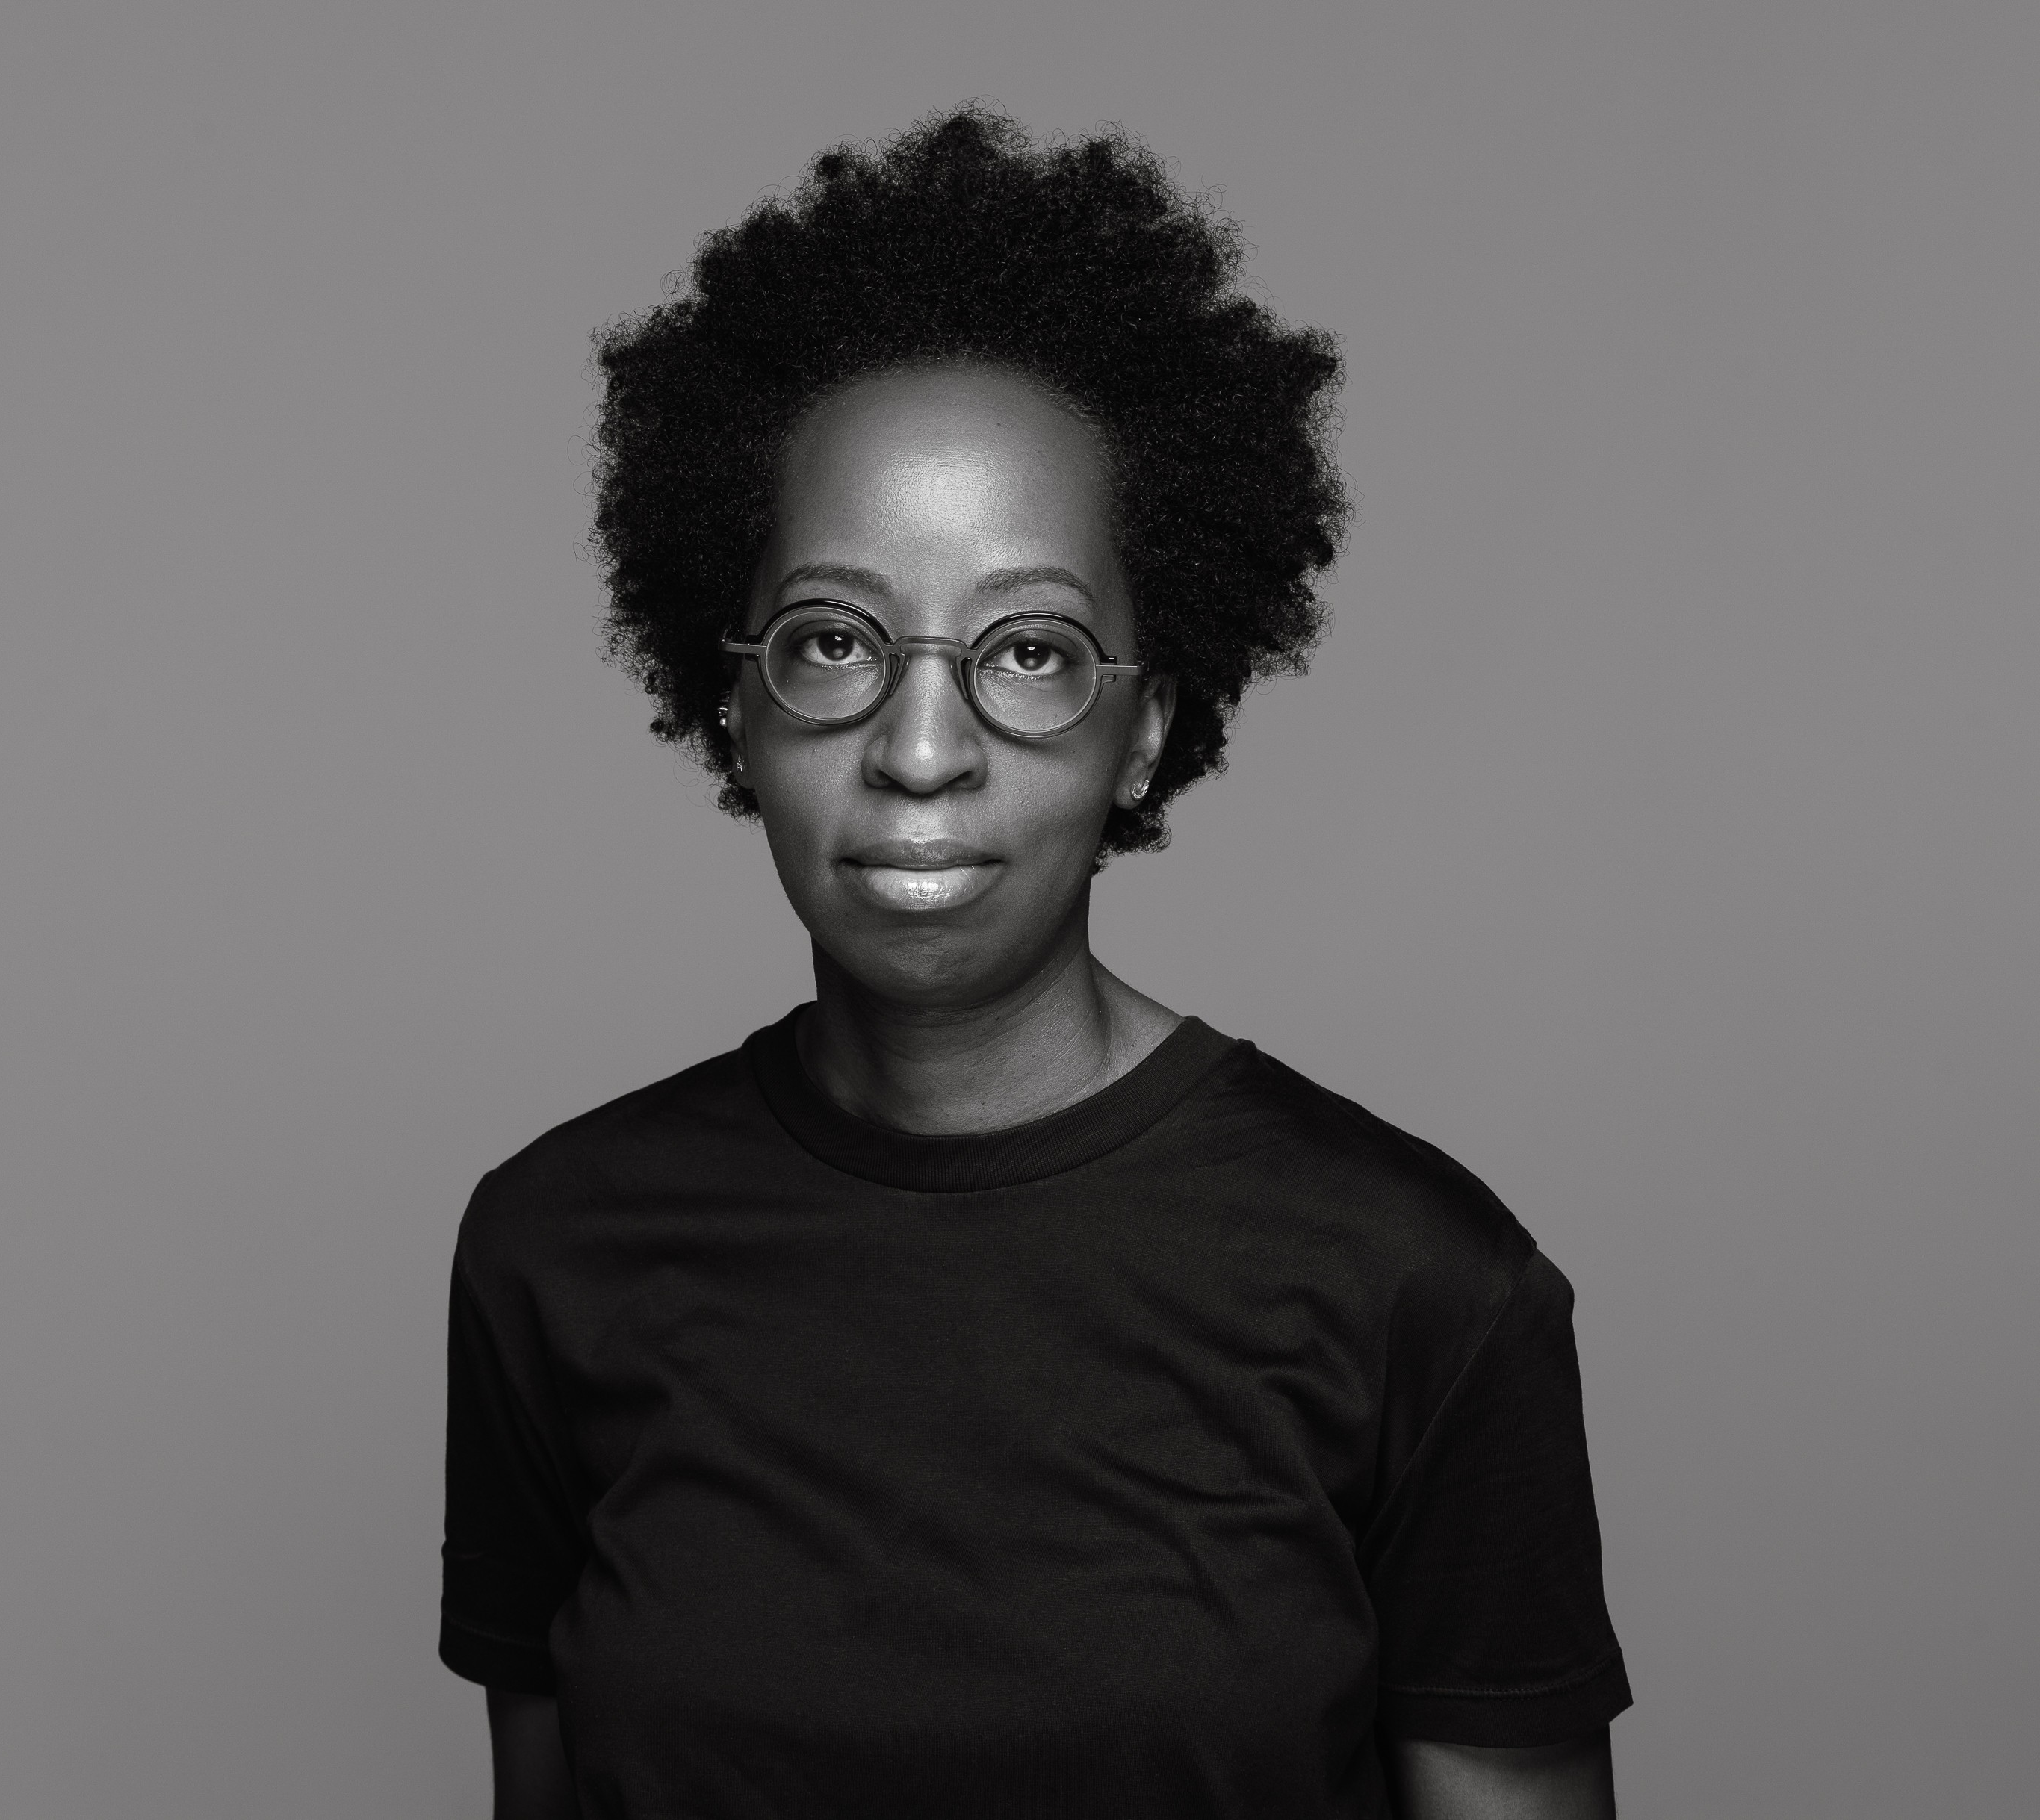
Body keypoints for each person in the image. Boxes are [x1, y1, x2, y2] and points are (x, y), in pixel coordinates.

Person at [440, 108, 1629, 1819]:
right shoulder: (555, 1248)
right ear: (736, 699)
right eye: (835, 640)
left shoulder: (1420, 1287)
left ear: (1145, 727)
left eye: (1031, 652)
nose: (923, 748)